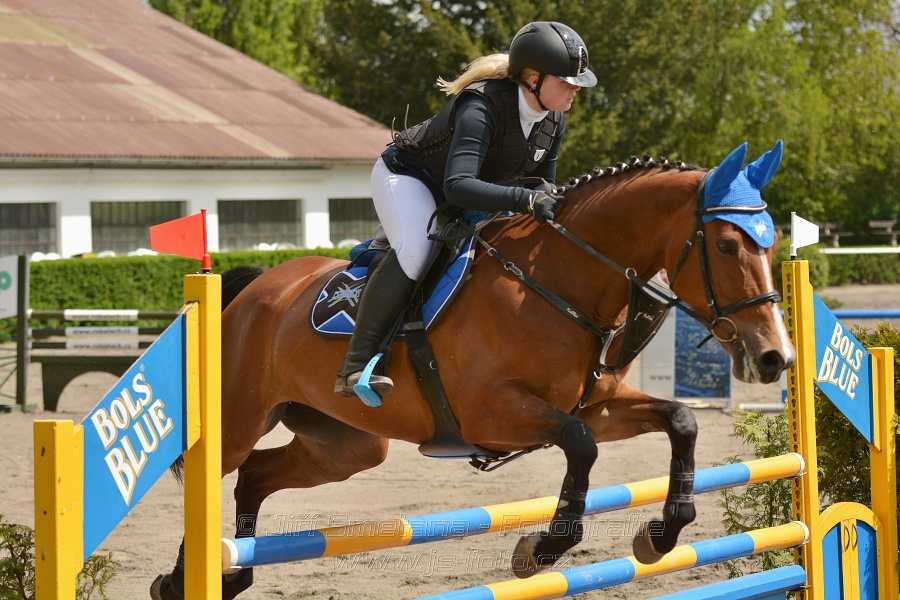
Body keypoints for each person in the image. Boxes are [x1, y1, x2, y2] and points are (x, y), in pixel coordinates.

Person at [335, 21, 598, 401]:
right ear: (533, 79)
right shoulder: (482, 106)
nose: (575, 88)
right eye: (566, 81)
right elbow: (459, 185)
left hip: (465, 192)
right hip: (411, 178)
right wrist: (525, 201)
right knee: (416, 249)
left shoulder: (553, 120)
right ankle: (354, 365)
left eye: (578, 82)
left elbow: (540, 185)